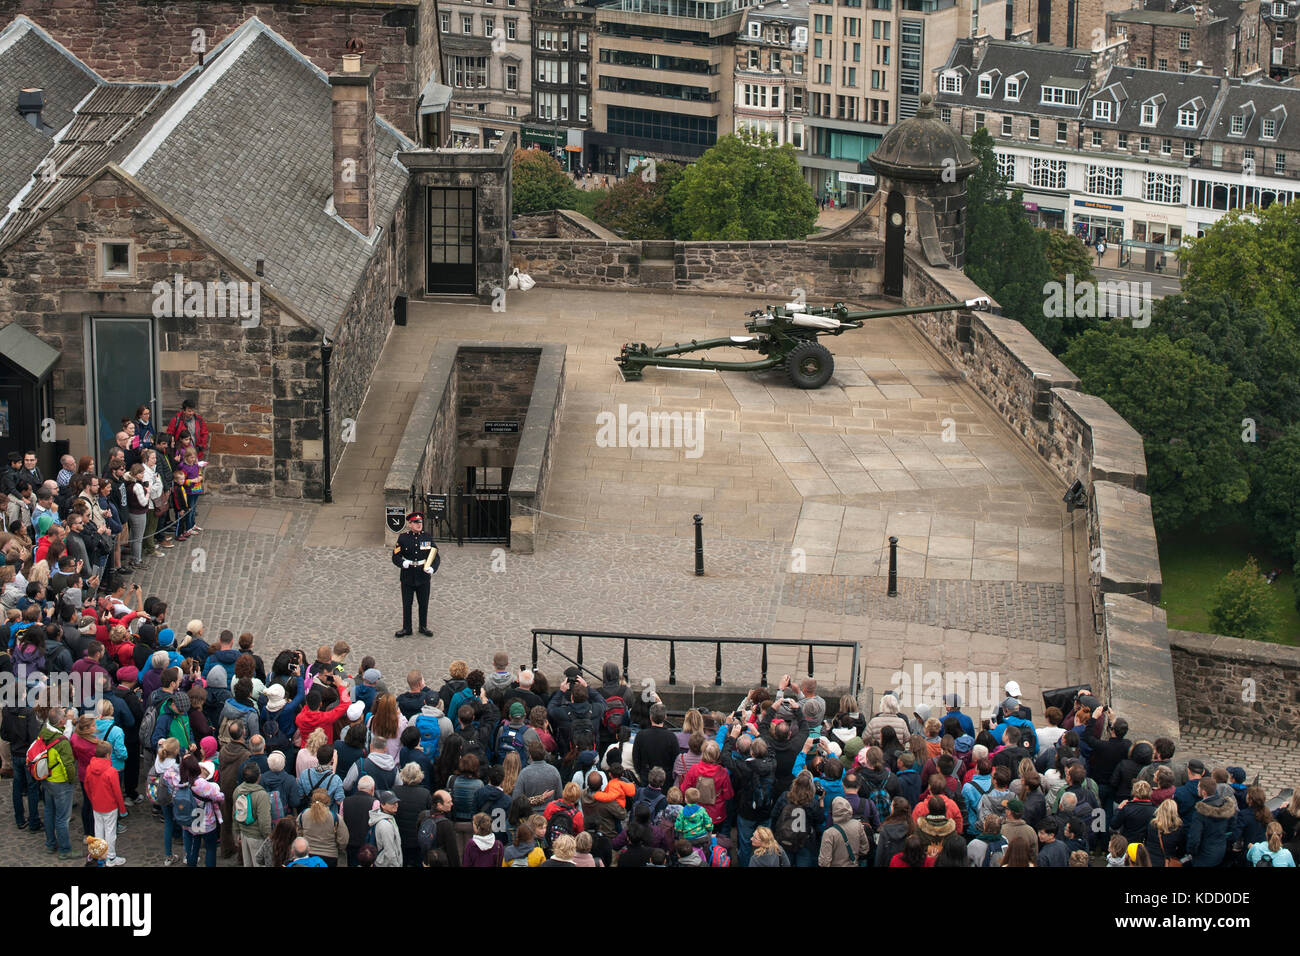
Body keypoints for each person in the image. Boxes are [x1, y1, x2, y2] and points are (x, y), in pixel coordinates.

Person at [392, 512, 437, 637]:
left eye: (420, 522)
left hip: (423, 575)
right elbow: (395, 556)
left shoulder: (427, 537)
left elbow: (435, 555)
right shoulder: (403, 538)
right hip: (408, 575)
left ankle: (423, 626)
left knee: (423, 603)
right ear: (410, 524)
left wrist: (433, 568)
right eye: (416, 523)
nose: (419, 525)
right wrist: (402, 563)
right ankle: (407, 628)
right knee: (407, 603)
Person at [83, 739, 127, 866]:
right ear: (108, 755)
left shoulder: (89, 768)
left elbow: (87, 786)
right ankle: (111, 857)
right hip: (110, 806)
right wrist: (122, 808)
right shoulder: (111, 771)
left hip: (96, 804)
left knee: (98, 830)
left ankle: (99, 855)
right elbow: (117, 792)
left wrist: (92, 799)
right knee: (110, 832)